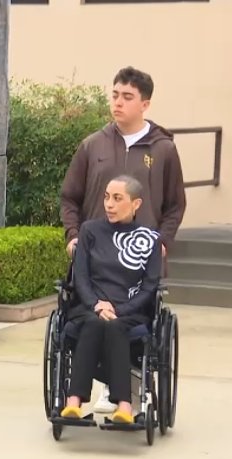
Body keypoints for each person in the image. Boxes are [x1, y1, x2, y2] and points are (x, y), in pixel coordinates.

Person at [59, 66, 186, 413]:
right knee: (90, 314)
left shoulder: (163, 150)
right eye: (115, 94)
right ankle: (101, 390)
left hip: (138, 263)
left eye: (127, 97)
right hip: (97, 257)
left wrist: (163, 241)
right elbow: (70, 197)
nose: (118, 102)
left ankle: (128, 392)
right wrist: (73, 235)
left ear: (145, 104)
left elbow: (175, 205)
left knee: (131, 321)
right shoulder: (93, 145)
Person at [60, 175, 161, 425]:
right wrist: (96, 304)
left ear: (136, 204)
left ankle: (124, 407)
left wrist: (119, 308)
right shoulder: (90, 231)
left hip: (129, 311)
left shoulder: (150, 239)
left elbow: (149, 287)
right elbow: (80, 276)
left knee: (115, 325)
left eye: (117, 198)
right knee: (94, 322)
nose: (109, 204)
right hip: (88, 306)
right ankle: (74, 403)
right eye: (106, 197)